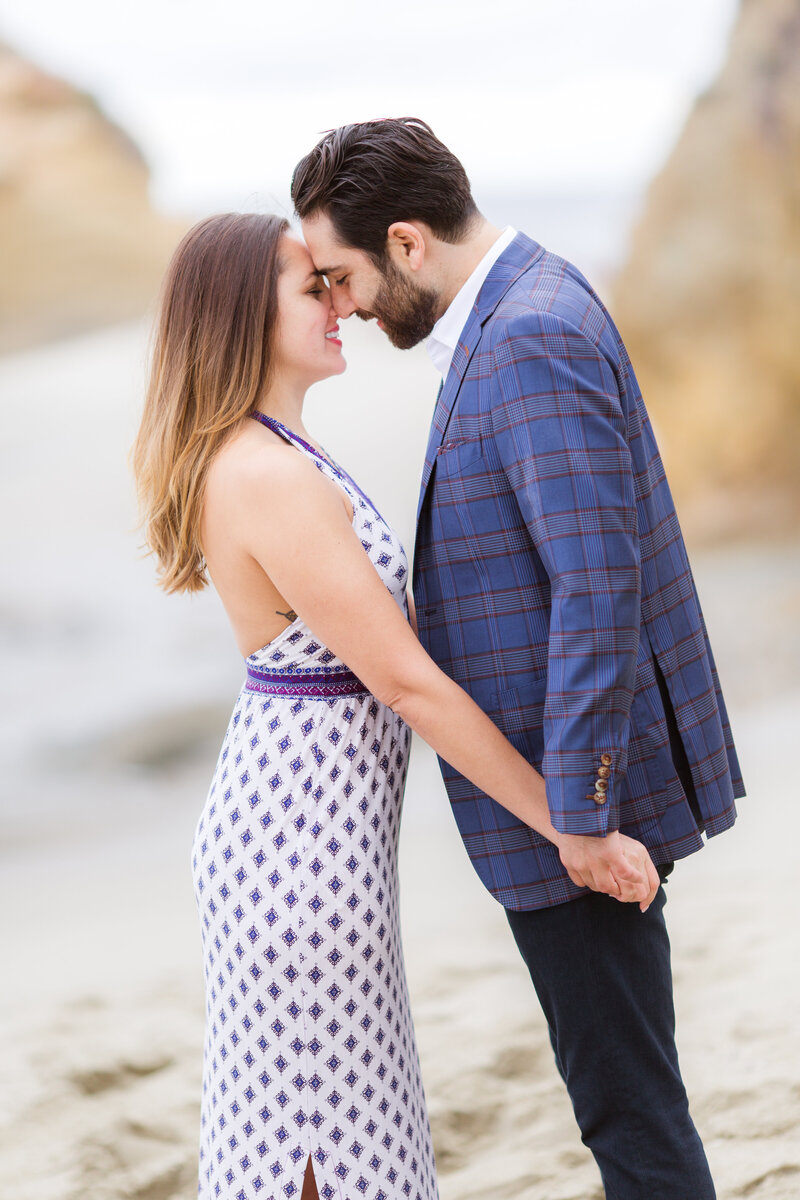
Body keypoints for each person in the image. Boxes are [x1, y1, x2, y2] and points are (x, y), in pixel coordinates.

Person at [132, 213, 658, 1200]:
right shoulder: (265, 474)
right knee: (320, 1139)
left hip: (308, 844)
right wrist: (567, 825)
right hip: (298, 857)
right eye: (308, 288)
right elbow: (405, 680)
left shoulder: (275, 451)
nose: (338, 302)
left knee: (335, 1127)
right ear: (244, 316)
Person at [291, 117, 746, 1200]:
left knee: (626, 1109)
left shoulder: (526, 334)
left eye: (341, 275)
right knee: (626, 1094)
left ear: (405, 241)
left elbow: (597, 587)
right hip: (564, 793)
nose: (340, 304)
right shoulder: (511, 307)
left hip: (575, 802)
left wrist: (578, 820)